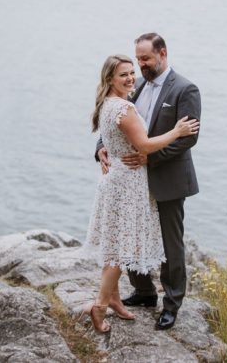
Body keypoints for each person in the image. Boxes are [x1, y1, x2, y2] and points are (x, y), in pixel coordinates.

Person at [85, 54, 198, 334]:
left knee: (165, 245)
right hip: (129, 182)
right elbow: (131, 136)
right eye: (133, 64)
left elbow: (191, 137)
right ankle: (121, 298)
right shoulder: (127, 98)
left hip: (163, 178)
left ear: (162, 54)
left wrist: (150, 156)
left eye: (142, 61)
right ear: (111, 78)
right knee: (124, 245)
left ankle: (169, 306)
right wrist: (103, 148)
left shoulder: (184, 89)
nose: (136, 72)